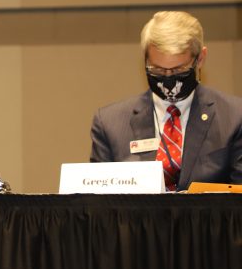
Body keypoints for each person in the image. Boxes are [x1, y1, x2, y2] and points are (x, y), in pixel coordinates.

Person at [89, 11, 242, 191]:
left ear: (200, 59)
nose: (168, 79)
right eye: (158, 70)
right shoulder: (109, 124)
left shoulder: (234, 118)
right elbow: (99, 203)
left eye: (179, 70)